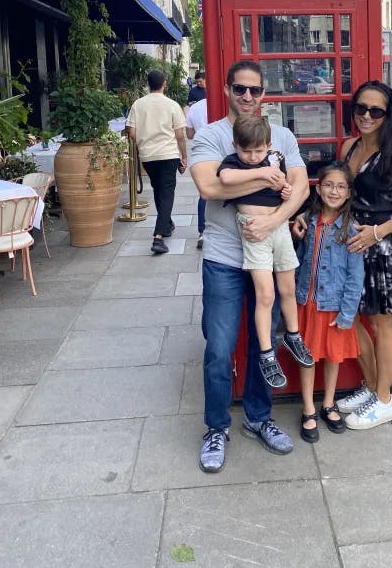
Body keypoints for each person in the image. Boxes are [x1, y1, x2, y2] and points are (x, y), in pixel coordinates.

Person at [190, 59, 310, 473]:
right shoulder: (211, 135)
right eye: (239, 88)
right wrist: (269, 178)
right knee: (219, 349)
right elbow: (209, 185)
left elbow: (302, 186)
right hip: (224, 256)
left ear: (264, 94)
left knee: (266, 343)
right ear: (226, 89)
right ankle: (216, 426)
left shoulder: (282, 135)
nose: (247, 96)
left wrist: (274, 219)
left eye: (254, 90)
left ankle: (259, 418)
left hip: (270, 255)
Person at [334, 80, 392, 428]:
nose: (366, 116)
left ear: (388, 116)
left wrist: (378, 231)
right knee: (353, 318)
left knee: (381, 322)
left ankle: (385, 400)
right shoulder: (349, 147)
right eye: (361, 108)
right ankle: (373, 385)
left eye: (376, 111)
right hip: (351, 245)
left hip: (384, 245)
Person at [217, 114, 313, 389]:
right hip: (253, 229)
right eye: (245, 150)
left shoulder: (275, 160)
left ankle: (293, 336)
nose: (251, 156)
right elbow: (225, 178)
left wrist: (284, 190)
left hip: (279, 226)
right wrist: (261, 172)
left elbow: (290, 187)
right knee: (265, 294)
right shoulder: (235, 162)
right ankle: (267, 353)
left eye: (258, 151)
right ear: (235, 145)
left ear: (268, 145)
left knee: (287, 288)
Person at [295, 162, 364, 443]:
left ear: (348, 193)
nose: (333, 191)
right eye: (328, 185)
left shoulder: (351, 229)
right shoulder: (308, 221)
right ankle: (308, 407)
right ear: (318, 187)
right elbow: (299, 260)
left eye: (340, 186)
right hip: (307, 302)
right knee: (307, 355)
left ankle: (328, 402)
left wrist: (348, 313)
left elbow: (355, 276)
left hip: (334, 306)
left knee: (333, 356)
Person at [126, 69, 188, 255]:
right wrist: (184, 156)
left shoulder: (138, 104)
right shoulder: (172, 105)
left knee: (159, 191)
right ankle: (158, 237)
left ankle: (166, 223)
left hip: (148, 156)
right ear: (164, 84)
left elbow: (132, 132)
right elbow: (179, 136)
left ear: (148, 84)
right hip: (168, 154)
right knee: (167, 193)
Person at [186, 97, 208, 248]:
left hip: (202, 153)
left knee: (204, 193)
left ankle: (202, 231)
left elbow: (189, 134)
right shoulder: (231, 103)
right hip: (224, 151)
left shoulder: (195, 108)